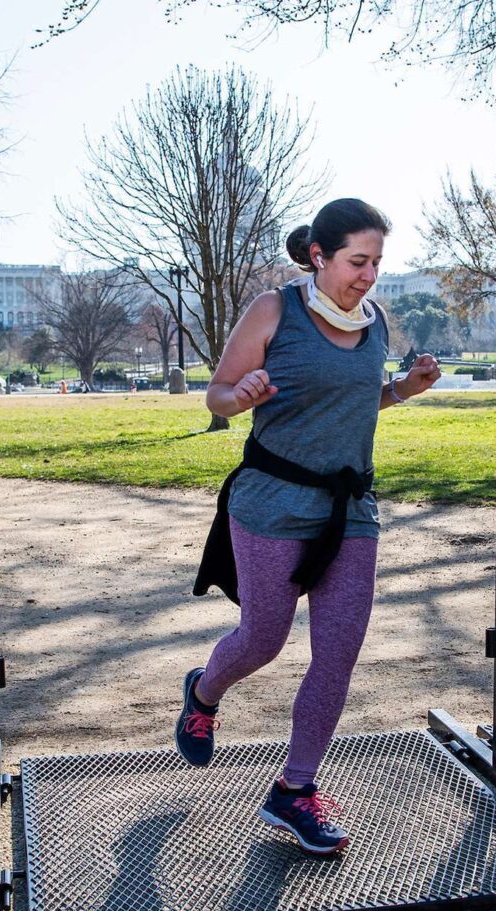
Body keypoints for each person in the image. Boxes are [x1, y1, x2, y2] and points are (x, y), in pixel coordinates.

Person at [178, 197, 442, 855]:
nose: (368, 275)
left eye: (377, 262)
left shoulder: (374, 320)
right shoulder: (275, 311)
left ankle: (294, 791)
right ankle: (205, 691)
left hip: (349, 510)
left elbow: (359, 398)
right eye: (357, 260)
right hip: (272, 504)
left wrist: (403, 388)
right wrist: (236, 399)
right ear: (318, 255)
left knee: (338, 652)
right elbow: (217, 391)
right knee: (262, 640)